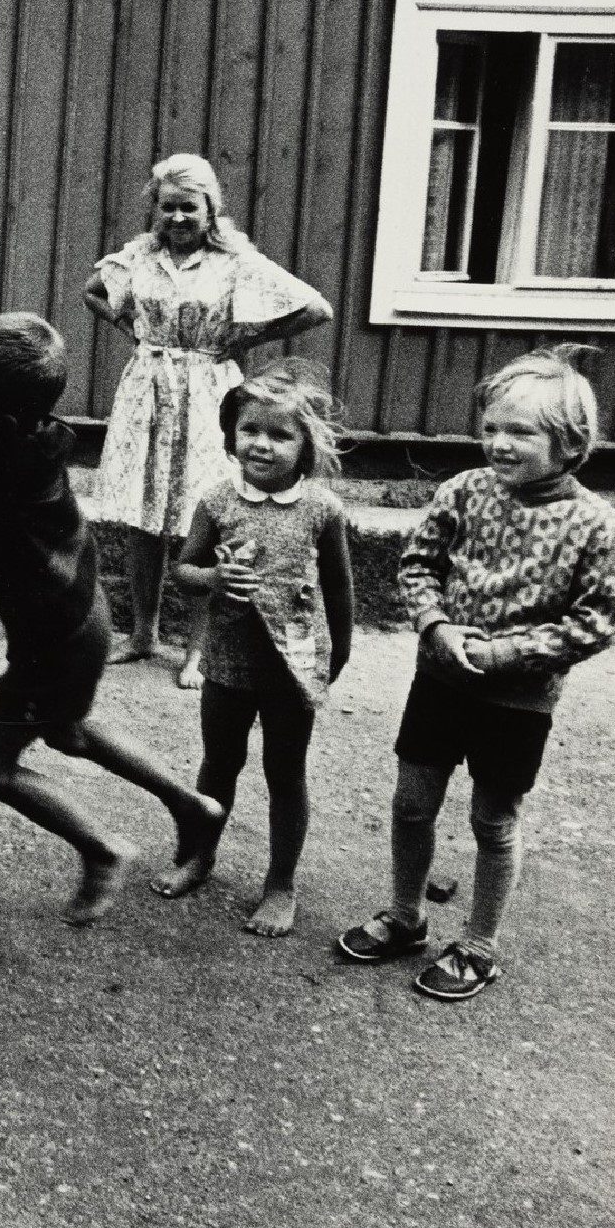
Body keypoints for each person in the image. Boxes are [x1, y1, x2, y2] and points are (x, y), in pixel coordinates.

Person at [0, 176, 223, 925]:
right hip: (80, 615)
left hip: (51, 638)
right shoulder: (33, 431)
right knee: (68, 729)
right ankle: (190, 803)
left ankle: (102, 848)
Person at [336, 347, 615, 1001]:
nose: (499, 442)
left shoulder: (595, 524)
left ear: (571, 442)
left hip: (517, 701)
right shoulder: (463, 491)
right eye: (491, 426)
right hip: (440, 680)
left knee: (494, 821)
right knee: (413, 804)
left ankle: (479, 945)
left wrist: (508, 653)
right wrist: (435, 625)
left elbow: (597, 621)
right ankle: (406, 914)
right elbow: (418, 565)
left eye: (520, 431)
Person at [84, 154, 332, 688]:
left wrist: (247, 336)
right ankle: (143, 633)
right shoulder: (140, 257)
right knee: (143, 518)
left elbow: (315, 308)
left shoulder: (235, 262)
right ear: (156, 209)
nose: (177, 218)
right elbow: (94, 292)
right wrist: (130, 326)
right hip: (147, 390)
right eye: (167, 207)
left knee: (204, 514)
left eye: (189, 208)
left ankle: (198, 647)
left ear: (210, 209)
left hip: (207, 389)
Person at [149, 360, 354, 936]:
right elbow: (183, 570)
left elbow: (340, 586)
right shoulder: (218, 501)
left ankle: (281, 882)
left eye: (280, 434)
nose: (261, 444)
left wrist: (339, 652)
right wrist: (212, 579)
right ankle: (198, 856)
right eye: (250, 430)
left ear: (307, 445)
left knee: (286, 772)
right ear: (231, 435)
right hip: (227, 661)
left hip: (293, 666)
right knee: (219, 762)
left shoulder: (322, 508)